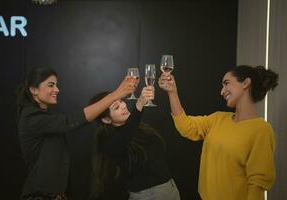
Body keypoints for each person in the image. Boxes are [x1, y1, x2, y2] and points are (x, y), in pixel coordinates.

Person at [158, 65, 278, 200]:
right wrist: (172, 92)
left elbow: (257, 183)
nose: (222, 91)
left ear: (245, 83)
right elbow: (186, 127)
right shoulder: (218, 118)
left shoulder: (261, 130)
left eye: (227, 83)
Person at [17, 67, 138, 200]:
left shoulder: (42, 117)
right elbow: (72, 121)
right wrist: (116, 94)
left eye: (56, 85)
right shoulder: (30, 117)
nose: (57, 90)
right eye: (51, 85)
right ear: (33, 90)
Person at [90, 86, 180, 200]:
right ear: (106, 119)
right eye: (116, 107)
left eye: (121, 101)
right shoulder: (109, 141)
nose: (123, 106)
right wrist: (140, 104)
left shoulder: (138, 127)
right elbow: (123, 138)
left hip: (169, 189)